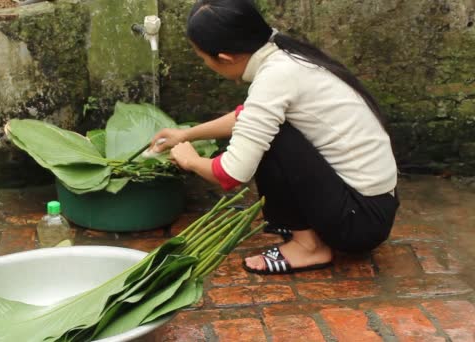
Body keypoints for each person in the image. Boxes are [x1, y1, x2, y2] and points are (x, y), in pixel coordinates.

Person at [148, 0, 399, 275]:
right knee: (268, 130)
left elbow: (231, 174)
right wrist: (187, 134)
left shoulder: (275, 76)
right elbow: (250, 117)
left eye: (202, 58)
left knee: (272, 136)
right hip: (370, 205)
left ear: (225, 57)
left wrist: (191, 160)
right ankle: (306, 229)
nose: (205, 63)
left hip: (358, 223)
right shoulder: (283, 55)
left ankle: (309, 247)